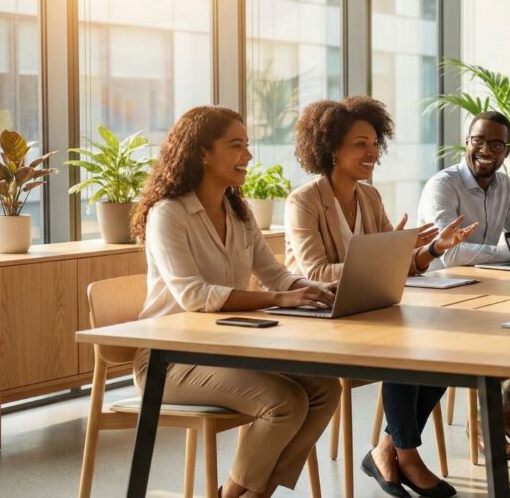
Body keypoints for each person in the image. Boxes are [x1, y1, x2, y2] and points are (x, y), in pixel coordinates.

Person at [131, 105, 341, 498]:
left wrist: (315, 290)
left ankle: (247, 493)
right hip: (169, 359)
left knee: (325, 388)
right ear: (201, 153)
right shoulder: (168, 214)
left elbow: (275, 273)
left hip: (226, 350)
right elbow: (193, 295)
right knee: (284, 402)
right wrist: (280, 297)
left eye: (247, 145)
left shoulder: (239, 213)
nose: (247, 156)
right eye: (236, 146)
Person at [284, 97, 476, 498]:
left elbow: (398, 264)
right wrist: (383, 258)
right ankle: (404, 454)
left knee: (441, 351)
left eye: (374, 143)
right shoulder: (304, 201)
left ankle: (390, 449)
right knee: (404, 351)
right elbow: (315, 273)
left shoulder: (369, 197)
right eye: (360, 144)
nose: (372, 152)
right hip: (321, 317)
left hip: (368, 311)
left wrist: (433, 250)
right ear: (331, 148)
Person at [416, 111, 510, 458]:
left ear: (506, 151)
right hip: (439, 300)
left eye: (496, 143)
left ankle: (500, 408)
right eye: (478, 140)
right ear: (467, 142)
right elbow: (450, 254)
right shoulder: (443, 185)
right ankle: (485, 421)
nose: (485, 149)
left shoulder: (504, 186)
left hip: (484, 287)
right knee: (495, 337)